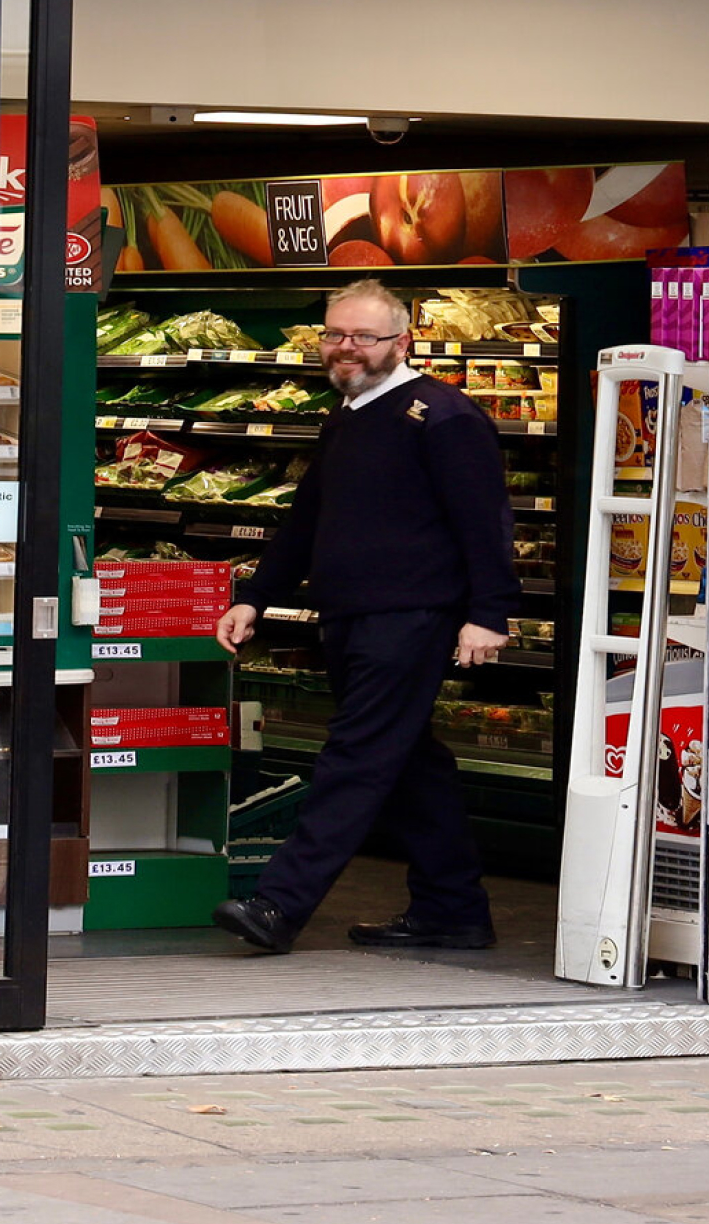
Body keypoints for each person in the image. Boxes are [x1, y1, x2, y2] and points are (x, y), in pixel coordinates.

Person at [211, 279, 520, 955]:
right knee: (410, 763)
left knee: (353, 758)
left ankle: (277, 904)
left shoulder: (443, 415)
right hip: (349, 616)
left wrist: (488, 614)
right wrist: (253, 595)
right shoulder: (348, 412)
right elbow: (306, 518)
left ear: (401, 342)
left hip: (408, 617)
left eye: (363, 336)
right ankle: (452, 907)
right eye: (333, 334)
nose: (345, 347)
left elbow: (484, 521)